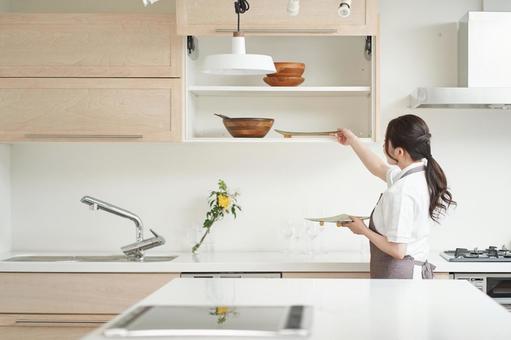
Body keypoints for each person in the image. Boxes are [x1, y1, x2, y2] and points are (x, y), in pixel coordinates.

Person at [335, 114, 455, 279]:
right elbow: (379, 167)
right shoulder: (420, 175)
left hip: (401, 278)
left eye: (386, 141)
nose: (384, 145)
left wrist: (362, 229)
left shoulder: (402, 190)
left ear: (399, 152)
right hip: (412, 273)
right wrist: (353, 140)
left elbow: (398, 251)